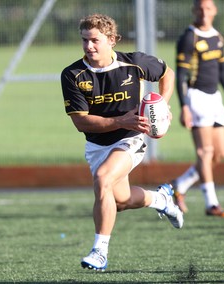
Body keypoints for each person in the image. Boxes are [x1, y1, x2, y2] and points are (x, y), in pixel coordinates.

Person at [61, 14, 183, 271]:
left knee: (103, 179)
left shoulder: (135, 63)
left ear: (112, 40)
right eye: (84, 40)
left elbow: (167, 73)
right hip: (97, 144)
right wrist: (120, 121)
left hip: (131, 138)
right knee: (121, 201)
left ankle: (99, 251)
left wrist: (163, 103)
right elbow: (81, 123)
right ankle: (160, 199)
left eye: (95, 40)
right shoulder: (73, 74)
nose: (89, 46)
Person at [170, 0, 224, 217]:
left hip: (215, 98)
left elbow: (223, 69)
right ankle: (212, 204)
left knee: (219, 153)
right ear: (194, 11)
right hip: (196, 98)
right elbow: (181, 75)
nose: (204, 12)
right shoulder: (189, 37)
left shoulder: (217, 36)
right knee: (205, 152)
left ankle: (178, 186)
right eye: (200, 8)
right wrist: (184, 107)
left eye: (208, 8)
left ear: (215, 11)